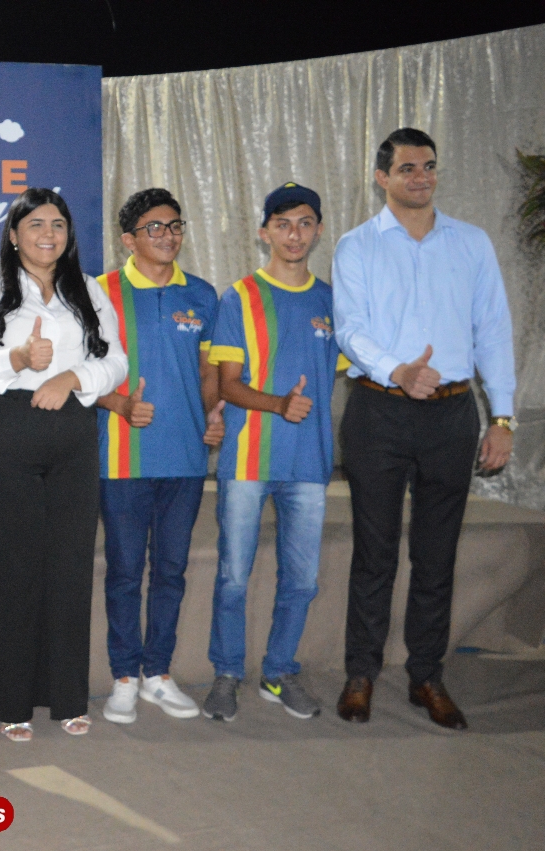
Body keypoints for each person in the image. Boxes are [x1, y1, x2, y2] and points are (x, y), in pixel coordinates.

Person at [332, 129, 515, 730]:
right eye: (408, 168)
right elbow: (350, 329)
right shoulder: (357, 246)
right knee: (375, 552)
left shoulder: (471, 243)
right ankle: (361, 673)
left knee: (437, 555)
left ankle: (426, 677)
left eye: (429, 166)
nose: (421, 177)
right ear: (381, 177)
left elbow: (493, 331)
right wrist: (398, 371)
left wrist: (503, 417)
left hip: (451, 415)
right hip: (378, 410)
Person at [0, 187, 127, 741]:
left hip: (73, 437)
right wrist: (20, 358)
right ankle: (14, 704)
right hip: (9, 434)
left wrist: (70, 377)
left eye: (57, 224)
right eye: (35, 224)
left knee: (70, 568)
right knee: (12, 571)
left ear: (68, 234)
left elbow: (116, 362)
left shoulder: (89, 289)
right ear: (13, 235)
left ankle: (70, 698)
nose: (48, 234)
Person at [203, 183, 346, 722]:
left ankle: (279, 671)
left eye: (305, 223)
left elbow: (356, 366)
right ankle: (227, 673)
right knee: (233, 576)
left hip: (309, 465)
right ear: (264, 232)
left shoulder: (333, 301)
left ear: (319, 230)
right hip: (247, 461)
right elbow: (227, 384)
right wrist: (279, 404)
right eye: (283, 224)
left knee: (302, 580)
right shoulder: (239, 297)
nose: (294, 234)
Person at [94, 188, 223, 726]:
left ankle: (158, 673)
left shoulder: (203, 294)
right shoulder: (100, 293)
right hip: (122, 458)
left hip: (186, 459)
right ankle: (124, 676)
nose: (167, 236)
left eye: (175, 226)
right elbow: (80, 375)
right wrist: (119, 404)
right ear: (129, 239)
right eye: (154, 228)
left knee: (171, 570)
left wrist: (211, 413)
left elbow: (210, 369)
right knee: (126, 571)